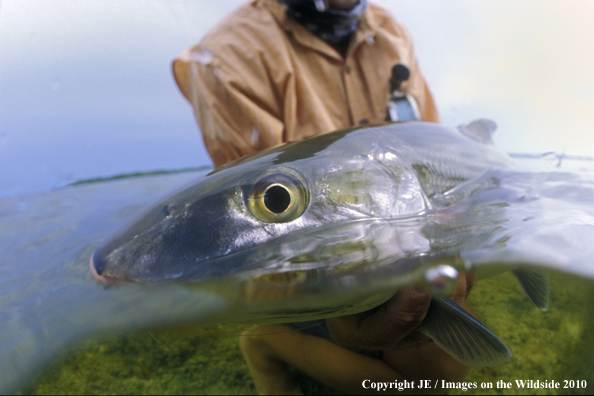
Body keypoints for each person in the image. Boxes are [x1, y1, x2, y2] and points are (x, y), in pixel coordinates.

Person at [172, 0, 474, 393]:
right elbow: (261, 222)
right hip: (306, 268)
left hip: (389, 240)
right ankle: (267, 343)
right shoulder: (225, 54)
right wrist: (343, 297)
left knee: (444, 367)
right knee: (416, 381)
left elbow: (429, 151)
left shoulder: (390, 30)